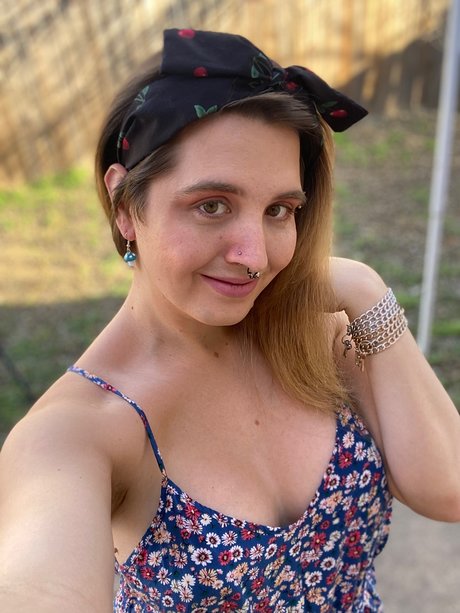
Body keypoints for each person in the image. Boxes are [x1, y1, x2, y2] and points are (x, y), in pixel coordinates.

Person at [0, 28, 459, 613]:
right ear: (125, 206)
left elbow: (447, 489)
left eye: (279, 210)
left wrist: (367, 290)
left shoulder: (318, 338)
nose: (255, 256)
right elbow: (38, 584)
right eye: (211, 205)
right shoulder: (82, 430)